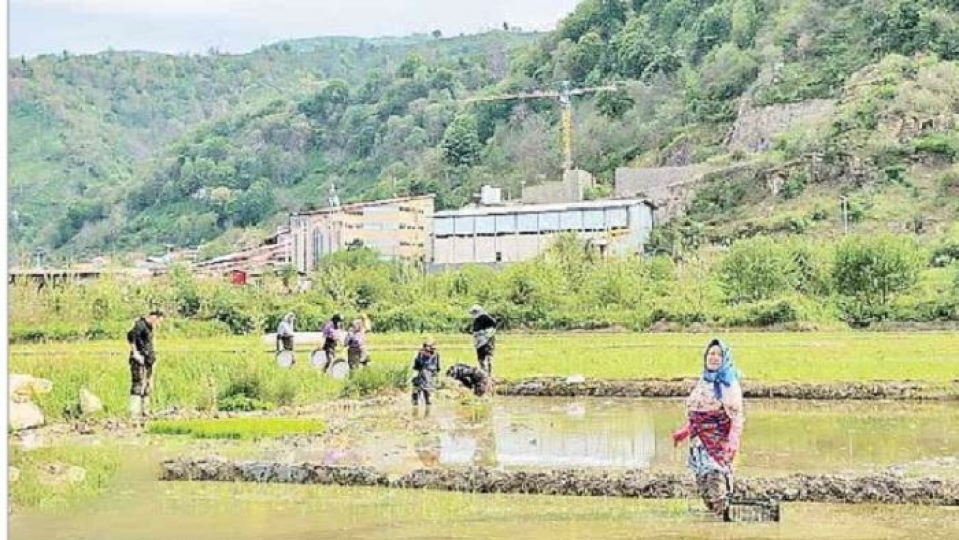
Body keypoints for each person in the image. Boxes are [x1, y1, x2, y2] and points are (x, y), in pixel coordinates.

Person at [671, 338, 745, 516]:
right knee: (703, 482)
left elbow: (736, 416)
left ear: (725, 358)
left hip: (718, 440)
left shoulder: (728, 383)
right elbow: (698, 414)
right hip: (699, 440)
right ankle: (714, 519)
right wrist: (684, 431)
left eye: (719, 354)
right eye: (711, 353)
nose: (714, 357)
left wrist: (733, 442)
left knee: (715, 479)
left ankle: (724, 517)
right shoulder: (704, 380)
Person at [126, 310, 164, 419]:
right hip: (139, 360)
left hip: (148, 361)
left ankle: (145, 410)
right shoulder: (140, 325)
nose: (158, 325)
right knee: (138, 384)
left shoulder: (149, 328)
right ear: (153, 317)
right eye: (158, 322)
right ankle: (134, 411)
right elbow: (131, 337)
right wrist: (135, 353)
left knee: (147, 386)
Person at [411, 337, 441, 407]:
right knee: (416, 386)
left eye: (433, 348)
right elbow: (417, 364)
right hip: (419, 371)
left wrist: (435, 373)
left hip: (429, 372)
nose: (431, 350)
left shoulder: (436, 355)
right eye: (430, 348)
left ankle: (427, 401)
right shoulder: (420, 354)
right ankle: (415, 401)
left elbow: (437, 366)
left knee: (427, 387)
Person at [468, 305, 497, 376]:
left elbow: (493, 327)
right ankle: (484, 374)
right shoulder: (476, 320)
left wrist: (487, 335)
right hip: (479, 342)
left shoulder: (486, 317)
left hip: (486, 341)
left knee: (488, 358)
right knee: (481, 360)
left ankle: (489, 374)